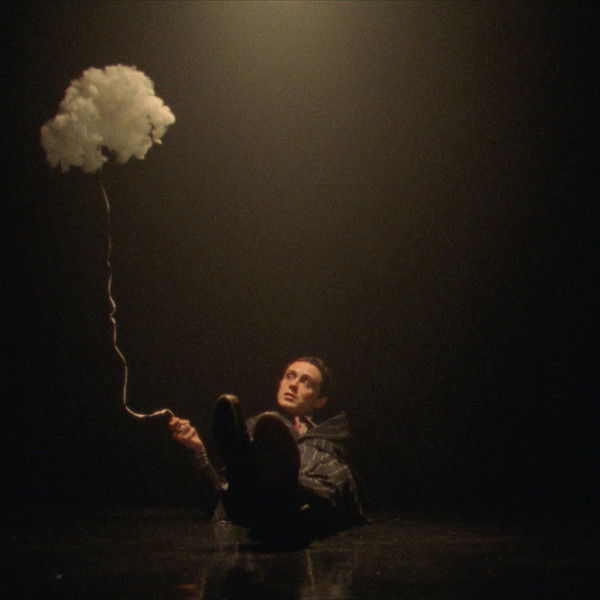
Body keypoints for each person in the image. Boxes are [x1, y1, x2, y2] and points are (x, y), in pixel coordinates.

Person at [168, 357, 365, 539]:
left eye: (306, 382)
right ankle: (259, 479)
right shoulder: (258, 428)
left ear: (320, 400)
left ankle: (288, 488)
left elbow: (343, 495)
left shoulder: (331, 440)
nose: (293, 384)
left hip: (307, 506)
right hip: (256, 504)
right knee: (242, 475)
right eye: (290, 376)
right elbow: (216, 495)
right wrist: (198, 449)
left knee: (331, 470)